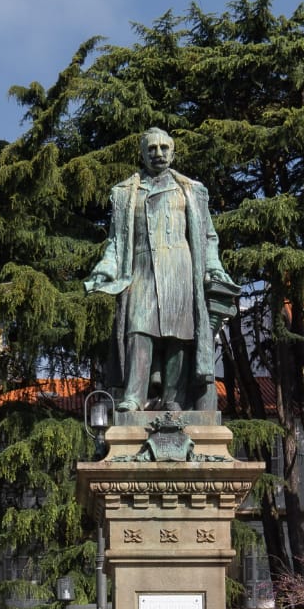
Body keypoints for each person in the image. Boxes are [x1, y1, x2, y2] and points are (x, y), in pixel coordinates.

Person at [83, 126, 238, 412]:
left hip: (181, 269)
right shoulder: (125, 193)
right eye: (152, 148)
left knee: (180, 336)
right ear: (142, 154)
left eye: (164, 148)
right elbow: (116, 241)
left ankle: (173, 399)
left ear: (173, 151)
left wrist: (214, 267)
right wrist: (104, 269)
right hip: (141, 269)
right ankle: (134, 396)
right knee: (138, 329)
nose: (158, 153)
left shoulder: (191, 190)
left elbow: (207, 237)